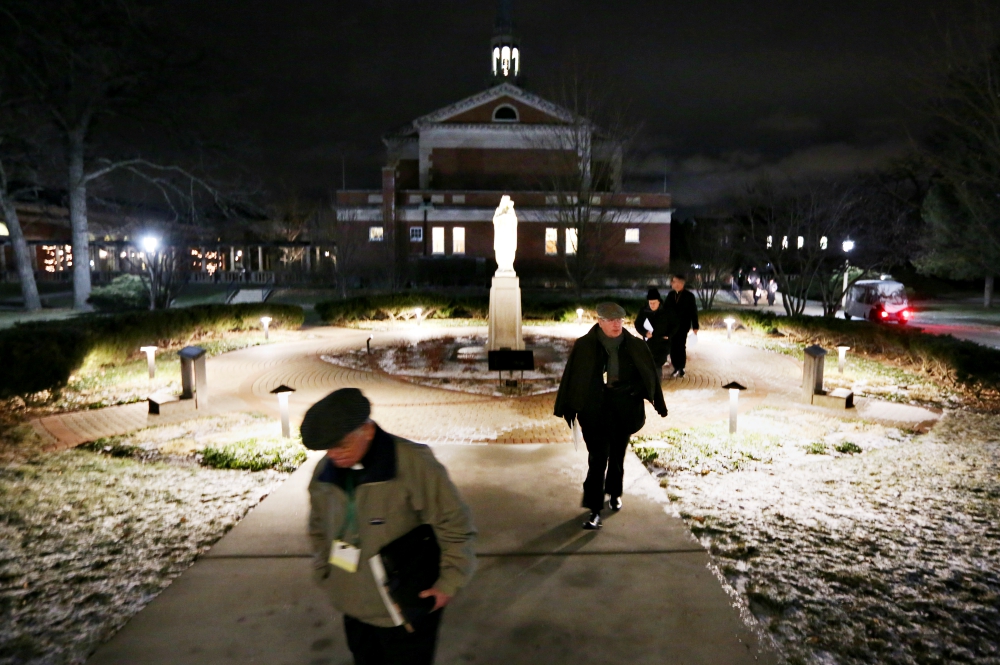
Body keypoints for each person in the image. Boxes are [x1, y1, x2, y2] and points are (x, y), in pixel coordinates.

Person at [305, 388, 476, 665]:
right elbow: (318, 525)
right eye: (328, 448)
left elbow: (454, 523)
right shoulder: (325, 473)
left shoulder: (412, 463)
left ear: (368, 430)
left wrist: (449, 583)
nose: (334, 455)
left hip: (403, 608)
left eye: (342, 445)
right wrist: (324, 571)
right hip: (353, 605)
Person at [554, 302, 668, 530]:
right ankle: (594, 510)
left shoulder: (634, 345)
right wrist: (571, 405)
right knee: (597, 460)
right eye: (611, 321)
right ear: (600, 321)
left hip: (623, 410)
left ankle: (615, 492)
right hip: (594, 411)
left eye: (620, 320)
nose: (617, 325)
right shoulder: (585, 346)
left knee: (617, 457)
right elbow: (573, 377)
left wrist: (634, 389)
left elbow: (647, 375)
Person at [662, 274, 699, 378]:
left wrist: (695, 327)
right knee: (673, 347)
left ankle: (681, 367)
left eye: (676, 282)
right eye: (673, 282)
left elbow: (693, 312)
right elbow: (665, 310)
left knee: (681, 346)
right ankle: (675, 367)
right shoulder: (670, 295)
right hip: (671, 326)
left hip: (683, 325)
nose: (674, 284)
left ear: (682, 283)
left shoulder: (689, 296)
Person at [633, 287, 671, 375]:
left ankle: (657, 385)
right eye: (650, 303)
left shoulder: (666, 311)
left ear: (659, 301)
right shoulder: (644, 311)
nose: (652, 305)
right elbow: (637, 324)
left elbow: (675, 325)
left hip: (662, 343)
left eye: (654, 303)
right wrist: (644, 333)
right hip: (649, 343)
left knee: (657, 366)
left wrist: (669, 335)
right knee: (649, 365)